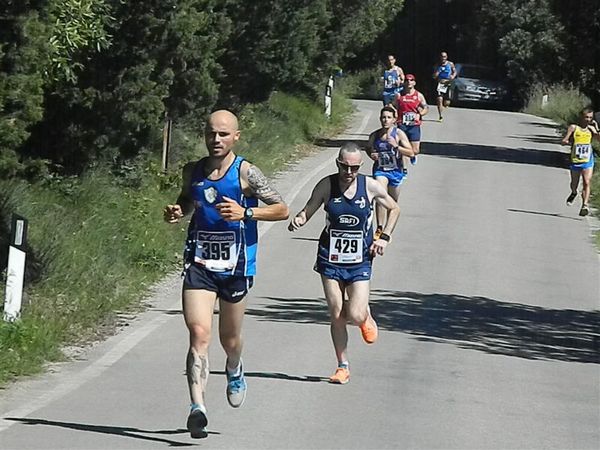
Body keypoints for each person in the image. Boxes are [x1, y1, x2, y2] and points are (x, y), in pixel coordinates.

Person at [164, 109, 289, 438]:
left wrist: (246, 211)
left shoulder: (246, 172)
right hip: (200, 264)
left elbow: (281, 208)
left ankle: (234, 367)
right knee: (199, 334)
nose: (215, 140)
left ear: (236, 136)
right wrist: (179, 210)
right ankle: (197, 408)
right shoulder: (192, 171)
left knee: (229, 340)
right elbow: (188, 199)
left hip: (235, 267)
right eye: (210, 133)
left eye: (222, 134)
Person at [288, 143, 400, 385]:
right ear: (337, 163)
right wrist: (299, 219)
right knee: (337, 314)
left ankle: (365, 317)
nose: (349, 172)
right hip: (330, 257)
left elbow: (394, 209)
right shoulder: (326, 185)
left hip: (360, 259)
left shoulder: (370, 186)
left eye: (354, 168)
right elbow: (309, 209)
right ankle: (342, 366)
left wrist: (384, 237)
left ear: (361, 167)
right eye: (344, 167)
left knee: (356, 313)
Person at [367, 106, 413, 239]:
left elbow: (411, 152)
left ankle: (388, 229)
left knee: (392, 201)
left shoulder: (398, 134)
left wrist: (397, 146)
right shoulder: (375, 135)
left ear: (394, 120)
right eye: (383, 117)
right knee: (380, 195)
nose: (385, 120)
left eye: (388, 117)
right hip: (380, 170)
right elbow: (368, 148)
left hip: (396, 171)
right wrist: (372, 154)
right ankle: (379, 228)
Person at [561, 107, 599, 216]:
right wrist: (566, 141)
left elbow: (598, 139)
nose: (588, 119)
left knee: (587, 182)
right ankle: (574, 192)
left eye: (590, 118)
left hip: (587, 159)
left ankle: (585, 205)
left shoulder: (591, 129)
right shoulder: (574, 128)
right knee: (574, 183)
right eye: (586, 117)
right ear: (581, 117)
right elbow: (565, 139)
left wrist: (597, 129)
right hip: (576, 160)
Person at [394, 74, 429, 167]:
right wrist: (394, 116)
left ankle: (413, 155)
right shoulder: (399, 95)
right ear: (404, 82)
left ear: (414, 82)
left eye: (411, 80)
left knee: (415, 150)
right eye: (407, 80)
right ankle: (403, 168)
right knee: (404, 146)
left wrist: (420, 114)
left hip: (414, 125)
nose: (409, 82)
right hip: (402, 124)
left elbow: (426, 108)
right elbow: (394, 107)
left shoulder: (419, 95)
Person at [432, 51, 456, 122]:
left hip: (448, 83)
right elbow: (433, 76)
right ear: (440, 57)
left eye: (444, 57)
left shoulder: (450, 64)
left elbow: (454, 72)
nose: (443, 58)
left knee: (447, 103)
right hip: (440, 83)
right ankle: (440, 116)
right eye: (442, 57)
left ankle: (445, 104)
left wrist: (453, 76)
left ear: (446, 57)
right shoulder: (437, 65)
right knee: (439, 100)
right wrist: (437, 72)